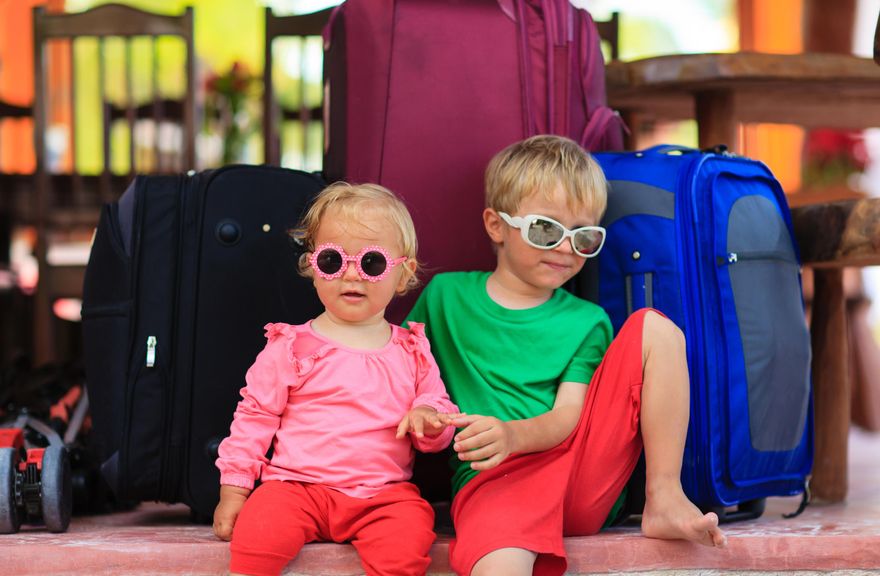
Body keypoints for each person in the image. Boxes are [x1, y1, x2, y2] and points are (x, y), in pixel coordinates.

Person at [406, 135, 728, 576]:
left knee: (656, 327)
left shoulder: (587, 321)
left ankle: (665, 496)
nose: (565, 247)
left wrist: (514, 435)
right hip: (495, 482)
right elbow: (402, 370)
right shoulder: (445, 297)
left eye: (584, 236)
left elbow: (567, 417)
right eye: (546, 228)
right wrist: (422, 412)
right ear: (496, 225)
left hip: (577, 476)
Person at [213, 182, 460, 576]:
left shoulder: (412, 350)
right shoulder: (291, 346)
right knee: (257, 535)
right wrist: (235, 489)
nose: (350, 274)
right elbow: (255, 417)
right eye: (332, 260)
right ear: (312, 267)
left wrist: (429, 418)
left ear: (403, 275)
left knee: (410, 533)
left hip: (382, 496)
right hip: (295, 488)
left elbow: (438, 410)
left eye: (372, 263)